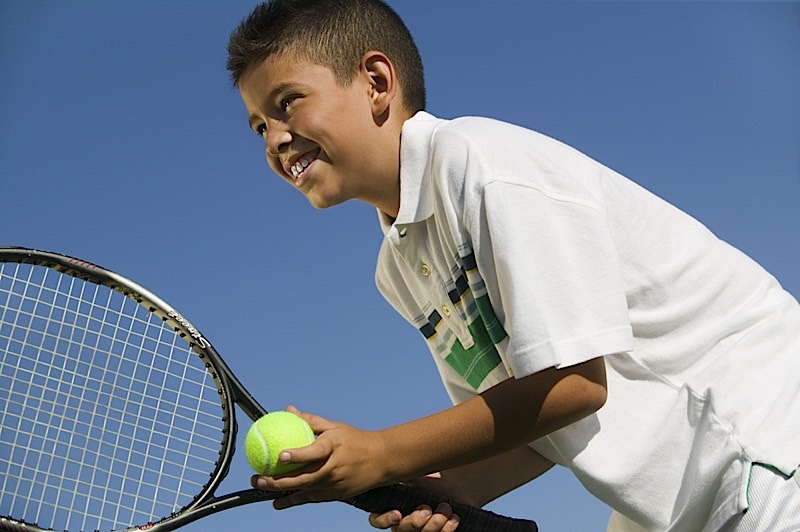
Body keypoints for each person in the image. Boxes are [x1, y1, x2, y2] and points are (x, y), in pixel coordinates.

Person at [226, 1, 800, 530]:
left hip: (758, 442)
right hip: (678, 502)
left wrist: (381, 453)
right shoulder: (395, 271)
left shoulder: (481, 165)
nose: (274, 139)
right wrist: (453, 489)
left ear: (377, 83)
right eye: (259, 126)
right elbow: (536, 422)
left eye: (287, 103)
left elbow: (573, 385)